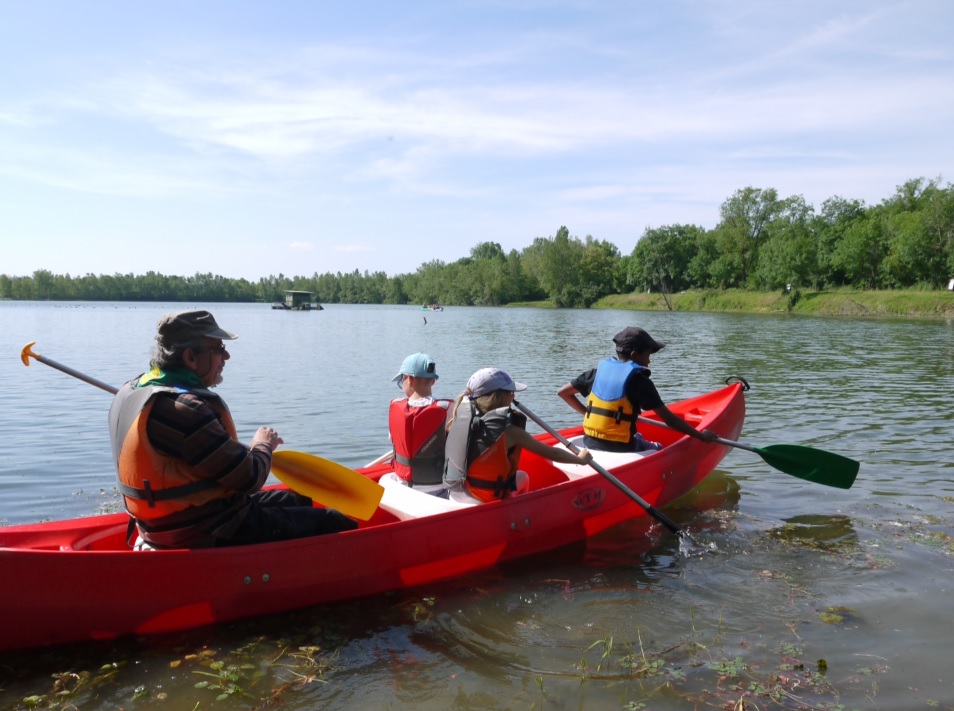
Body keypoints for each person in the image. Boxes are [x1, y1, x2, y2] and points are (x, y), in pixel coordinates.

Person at [107, 309, 358, 549]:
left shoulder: (134, 390)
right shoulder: (184, 410)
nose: (226, 357)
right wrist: (263, 445)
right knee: (334, 521)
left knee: (298, 500)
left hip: (173, 521)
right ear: (190, 358)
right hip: (204, 529)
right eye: (218, 349)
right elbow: (249, 478)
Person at [558, 326, 716, 453]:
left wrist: (587, 412)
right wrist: (701, 436)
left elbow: (563, 393)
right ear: (634, 354)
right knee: (658, 448)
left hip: (589, 441)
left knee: (638, 435)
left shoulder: (595, 374)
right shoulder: (640, 381)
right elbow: (670, 420)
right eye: (648, 354)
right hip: (621, 448)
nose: (649, 359)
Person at [444, 368, 593, 502]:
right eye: (510, 392)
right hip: (482, 498)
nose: (513, 396)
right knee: (523, 477)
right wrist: (580, 460)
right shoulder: (510, 432)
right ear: (497, 397)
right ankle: (514, 514)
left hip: (456, 493)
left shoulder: (457, 418)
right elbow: (552, 453)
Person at [388, 352, 452, 496]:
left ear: (409, 379)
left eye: (401, 379)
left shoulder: (395, 407)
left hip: (402, 484)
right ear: (433, 381)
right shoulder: (448, 409)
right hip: (437, 487)